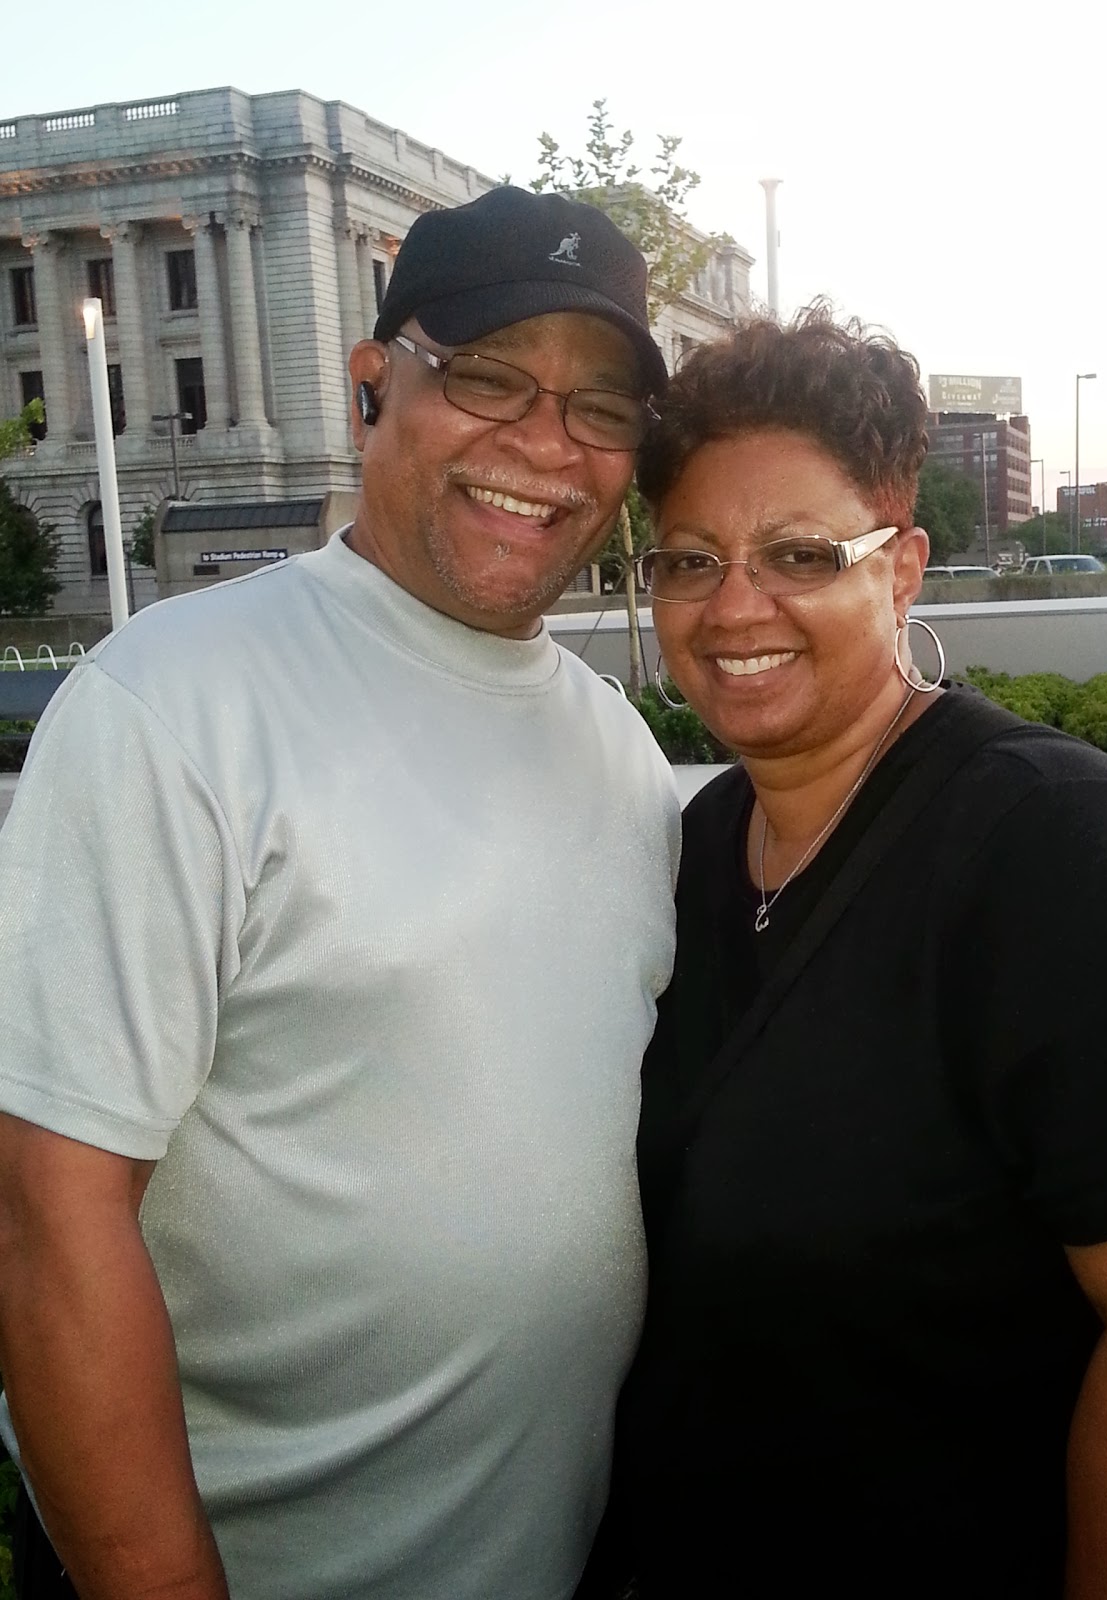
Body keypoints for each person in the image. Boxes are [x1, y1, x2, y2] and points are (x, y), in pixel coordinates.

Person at [0, 186, 681, 1600]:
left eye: (601, 408)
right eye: (489, 378)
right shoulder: (173, 704)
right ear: (374, 383)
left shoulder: (619, 748)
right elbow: (45, 1219)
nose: (545, 444)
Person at [592, 308, 1107, 1598]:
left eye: (799, 554)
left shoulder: (1056, 852)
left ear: (903, 568)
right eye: (691, 561)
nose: (734, 606)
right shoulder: (698, 850)